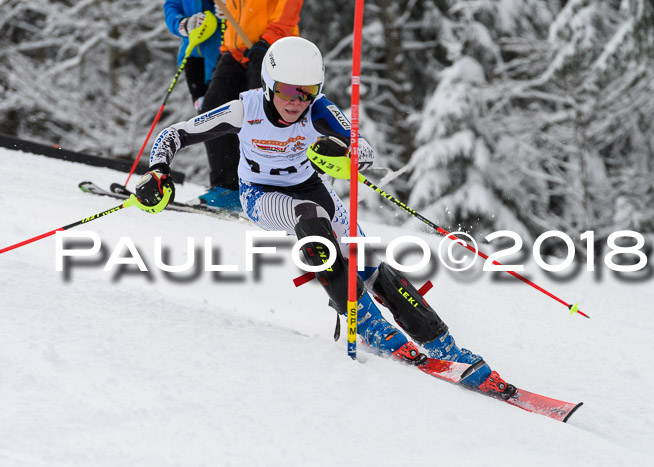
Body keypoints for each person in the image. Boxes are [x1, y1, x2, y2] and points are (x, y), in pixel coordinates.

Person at [134, 37, 514, 398]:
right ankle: (366, 324)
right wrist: (159, 171)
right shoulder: (244, 109)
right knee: (310, 218)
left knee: (369, 265)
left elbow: (361, 149)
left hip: (312, 188)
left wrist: (342, 152)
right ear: (268, 82)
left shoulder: (318, 109)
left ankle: (442, 344)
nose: (295, 101)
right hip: (262, 196)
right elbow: (175, 134)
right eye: (286, 89)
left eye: (306, 90)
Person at [195, 0, 304, 212]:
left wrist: (268, 41)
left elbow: (288, 10)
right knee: (215, 109)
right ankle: (229, 187)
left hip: (271, 50)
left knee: (264, 116)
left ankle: (270, 191)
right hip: (236, 51)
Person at [163, 0, 225, 113]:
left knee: (225, 111)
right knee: (204, 113)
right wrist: (183, 24)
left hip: (225, 56)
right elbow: (171, 7)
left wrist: (232, 11)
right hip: (193, 58)